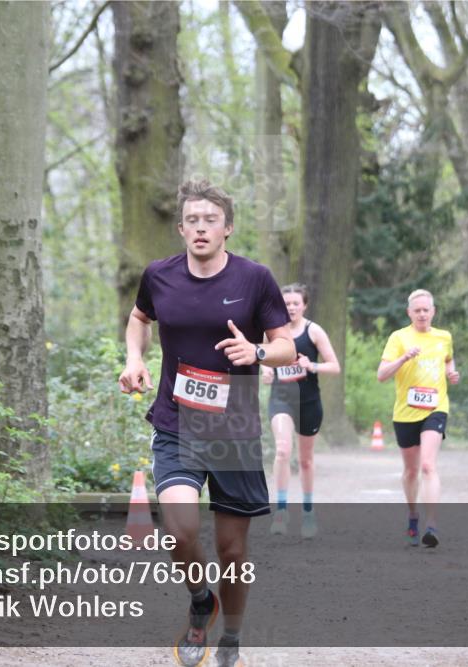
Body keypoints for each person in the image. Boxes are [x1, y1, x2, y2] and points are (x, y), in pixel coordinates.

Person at [118, 179, 295, 667]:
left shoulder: (254, 279)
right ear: (180, 228)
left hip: (234, 428)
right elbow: (139, 318)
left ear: (227, 228)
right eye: (192, 220)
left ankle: (231, 638)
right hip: (176, 421)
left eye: (210, 220)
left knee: (233, 552)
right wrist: (134, 358)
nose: (200, 228)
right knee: (179, 531)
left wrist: (257, 351)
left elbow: (287, 346)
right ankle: (201, 600)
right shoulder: (159, 275)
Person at [377, 289, 459, 548]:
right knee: (411, 471)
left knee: (427, 465)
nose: (422, 314)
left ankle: (431, 524)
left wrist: (451, 373)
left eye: (426, 310)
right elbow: (381, 375)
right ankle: (413, 513)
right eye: (417, 310)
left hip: (436, 408)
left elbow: (448, 359)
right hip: (405, 412)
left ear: (433, 311)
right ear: (409, 313)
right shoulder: (398, 337)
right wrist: (403, 358)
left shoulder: (443, 336)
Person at [261, 284, 340, 538]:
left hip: (308, 401)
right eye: (286, 303)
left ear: (304, 305)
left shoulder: (313, 330)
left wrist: (312, 366)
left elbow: (334, 366)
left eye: (296, 303)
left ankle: (307, 511)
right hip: (281, 398)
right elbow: (261, 357)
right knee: (283, 450)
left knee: (305, 460)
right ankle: (281, 510)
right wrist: (266, 369)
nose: (291, 307)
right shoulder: (272, 331)